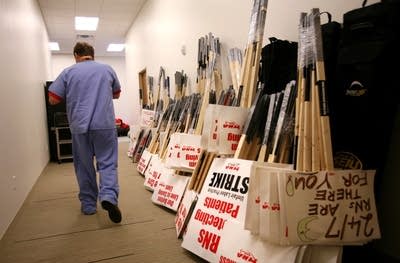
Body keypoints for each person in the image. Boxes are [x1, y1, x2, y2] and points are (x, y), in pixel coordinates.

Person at [48, 42, 122, 223]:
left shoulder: (68, 72)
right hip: (104, 125)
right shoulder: (107, 69)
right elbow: (117, 94)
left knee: (83, 166)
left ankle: (89, 205)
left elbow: (52, 99)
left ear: (76, 55)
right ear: (92, 55)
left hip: (80, 127)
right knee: (108, 163)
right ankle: (108, 197)